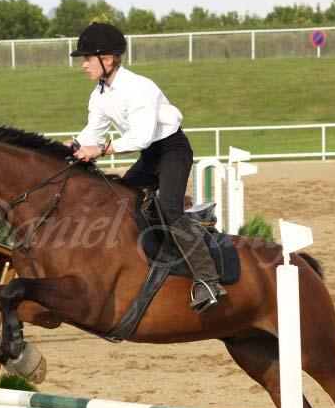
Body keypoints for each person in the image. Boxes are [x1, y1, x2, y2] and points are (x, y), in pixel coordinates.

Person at [69, 22, 225, 312]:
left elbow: (140, 137)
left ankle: (208, 280)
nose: (83, 65)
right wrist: (69, 146)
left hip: (172, 150)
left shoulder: (139, 87)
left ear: (108, 59)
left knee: (169, 208)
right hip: (150, 156)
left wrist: (101, 150)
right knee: (120, 202)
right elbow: (93, 134)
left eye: (88, 58)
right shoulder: (99, 95)